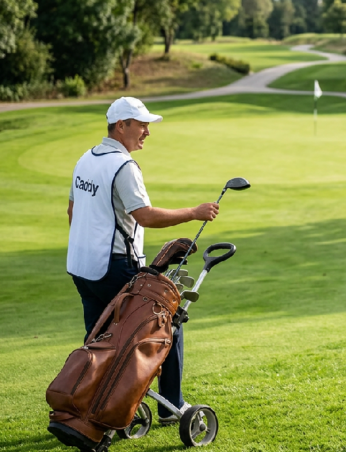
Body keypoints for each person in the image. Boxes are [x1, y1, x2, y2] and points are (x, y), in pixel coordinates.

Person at [66, 97, 219, 425]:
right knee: (169, 326)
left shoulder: (85, 159)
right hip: (114, 266)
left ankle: (92, 405)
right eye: (141, 124)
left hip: (81, 267)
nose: (147, 132)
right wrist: (194, 212)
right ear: (121, 126)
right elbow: (145, 216)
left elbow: (72, 212)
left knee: (99, 339)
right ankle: (169, 407)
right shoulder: (123, 166)